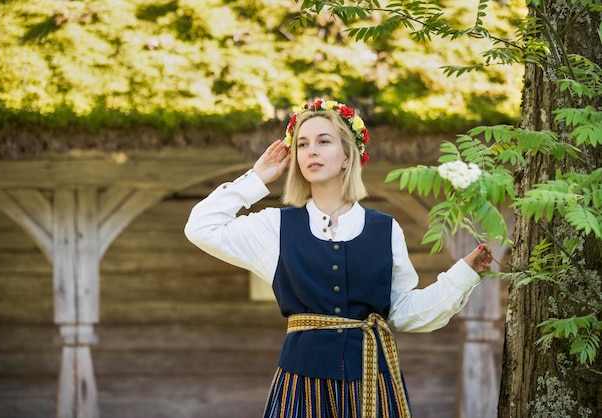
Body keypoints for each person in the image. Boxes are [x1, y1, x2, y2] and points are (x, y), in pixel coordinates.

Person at [184, 99, 493, 418]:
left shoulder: (384, 228)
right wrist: (257, 179)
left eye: (323, 141)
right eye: (302, 144)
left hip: (373, 384)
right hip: (301, 388)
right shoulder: (275, 226)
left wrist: (463, 275)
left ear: (348, 156)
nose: (311, 151)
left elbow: (402, 311)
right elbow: (201, 227)